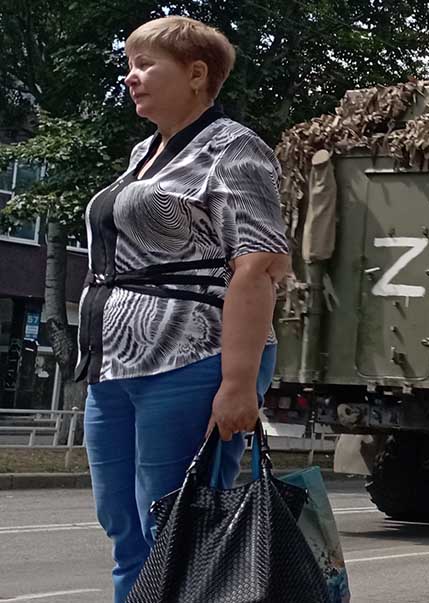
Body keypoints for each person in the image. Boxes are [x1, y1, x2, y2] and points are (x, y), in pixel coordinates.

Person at [77, 16, 290, 602]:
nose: (131, 77)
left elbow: (259, 265)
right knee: (123, 526)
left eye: (146, 65)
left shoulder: (234, 147)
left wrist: (238, 384)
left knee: (178, 526)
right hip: (113, 366)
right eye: (129, 65)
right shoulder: (143, 153)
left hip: (191, 359)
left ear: (197, 75)